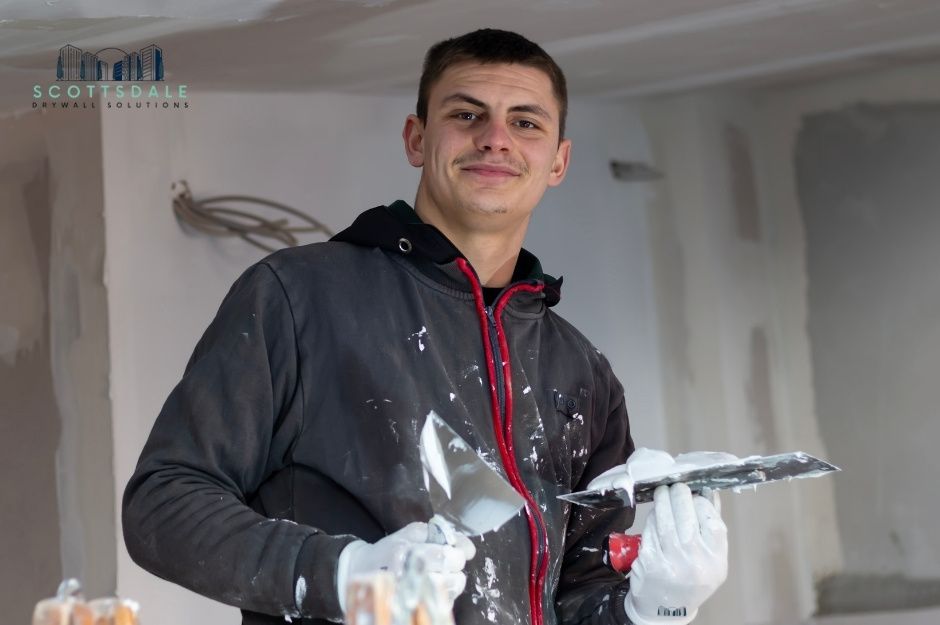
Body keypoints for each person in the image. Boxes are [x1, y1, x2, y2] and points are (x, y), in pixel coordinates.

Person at [123, 28, 727, 625]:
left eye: (526, 123)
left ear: (558, 161)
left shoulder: (581, 371)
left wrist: (654, 607)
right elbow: (163, 505)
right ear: (416, 139)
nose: (495, 139)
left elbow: (581, 597)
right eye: (467, 114)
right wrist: (342, 574)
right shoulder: (300, 297)